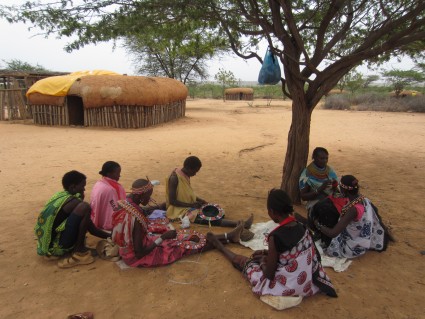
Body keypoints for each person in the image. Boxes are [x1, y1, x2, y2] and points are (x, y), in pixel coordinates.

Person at [206, 188, 337, 308]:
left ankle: (219, 245)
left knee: (244, 263)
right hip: (307, 280)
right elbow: (294, 253)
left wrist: (263, 260)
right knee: (261, 258)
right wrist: (266, 252)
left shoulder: (275, 237)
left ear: (272, 212)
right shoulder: (301, 226)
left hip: (289, 285)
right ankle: (223, 241)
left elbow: (269, 274)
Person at [111, 178, 245, 267]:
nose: (150, 198)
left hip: (130, 248)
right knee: (181, 247)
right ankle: (226, 239)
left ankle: (228, 237)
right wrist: (162, 238)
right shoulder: (136, 217)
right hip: (137, 257)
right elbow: (140, 253)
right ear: (139, 195)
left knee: (180, 237)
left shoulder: (123, 204)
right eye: (148, 195)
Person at [35, 170, 110, 268]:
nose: (83, 190)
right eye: (82, 186)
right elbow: (91, 229)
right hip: (56, 247)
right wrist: (111, 236)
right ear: (72, 187)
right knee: (85, 207)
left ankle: (76, 247)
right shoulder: (75, 202)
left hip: (46, 244)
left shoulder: (60, 196)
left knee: (83, 208)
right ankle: (79, 251)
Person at [165, 155, 253, 228]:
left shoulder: (185, 174)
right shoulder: (174, 178)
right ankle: (242, 224)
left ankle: (240, 224)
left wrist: (199, 200)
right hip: (178, 211)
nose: (195, 174)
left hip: (188, 206)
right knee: (207, 219)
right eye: (194, 171)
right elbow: (172, 201)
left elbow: (186, 193)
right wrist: (191, 205)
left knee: (214, 211)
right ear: (188, 168)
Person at [313, 175, 390, 258]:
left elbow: (333, 233)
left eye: (340, 186)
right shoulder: (363, 199)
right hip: (362, 240)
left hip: (352, 247)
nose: (339, 189)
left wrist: (317, 224)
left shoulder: (352, 210)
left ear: (344, 190)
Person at [299, 147, 339, 213]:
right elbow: (303, 197)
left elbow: (336, 190)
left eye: (326, 158)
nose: (325, 161)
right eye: (322, 158)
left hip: (331, 200)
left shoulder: (329, 170)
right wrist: (320, 189)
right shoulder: (307, 174)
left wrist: (334, 185)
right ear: (314, 157)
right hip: (316, 203)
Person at [90, 161, 126, 231]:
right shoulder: (111, 189)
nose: (119, 175)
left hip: (96, 219)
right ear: (109, 173)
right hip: (106, 224)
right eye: (117, 173)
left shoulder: (98, 183)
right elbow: (114, 209)